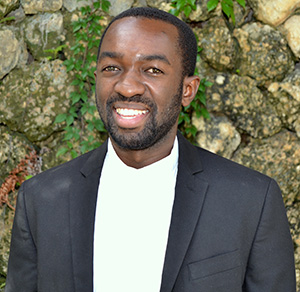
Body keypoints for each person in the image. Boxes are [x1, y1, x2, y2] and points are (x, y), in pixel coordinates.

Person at [5, 7, 296, 292]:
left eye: (153, 70)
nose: (128, 86)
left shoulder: (252, 202)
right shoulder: (41, 201)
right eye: (112, 68)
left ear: (188, 90)